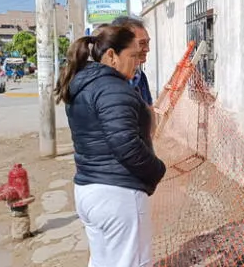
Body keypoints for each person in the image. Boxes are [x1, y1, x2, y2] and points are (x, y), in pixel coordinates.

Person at [55, 26, 166, 267]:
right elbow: (126, 145)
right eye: (133, 56)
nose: (137, 63)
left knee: (103, 262)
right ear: (112, 55)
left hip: (89, 189)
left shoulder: (84, 84)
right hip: (118, 194)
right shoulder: (113, 88)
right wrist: (158, 170)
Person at [111, 16, 153, 106]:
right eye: (141, 43)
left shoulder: (141, 77)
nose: (147, 49)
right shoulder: (106, 81)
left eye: (148, 42)